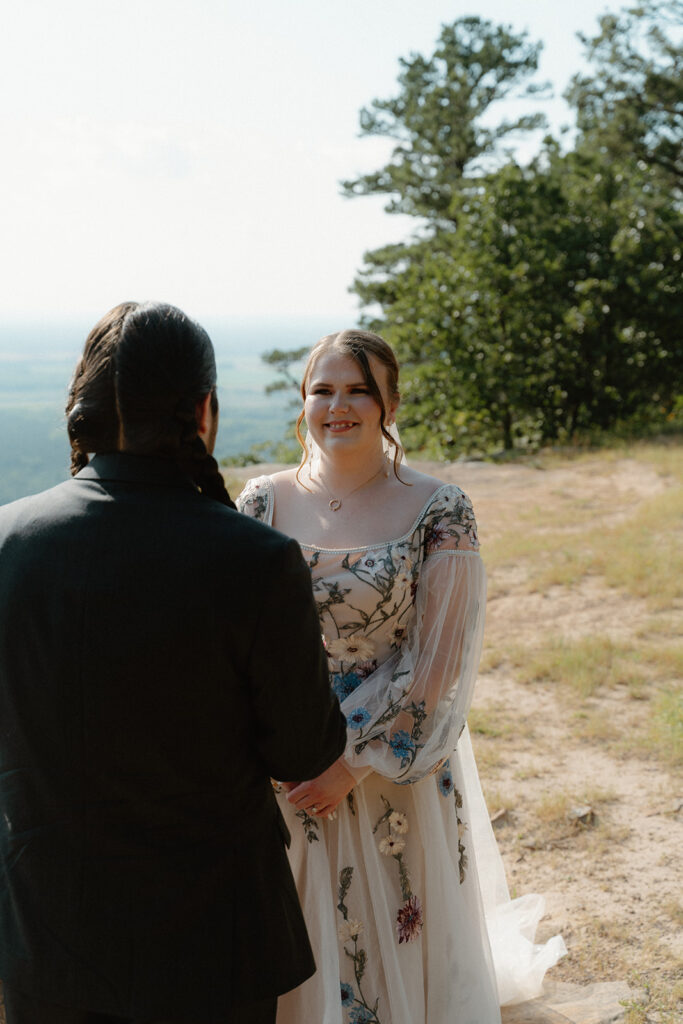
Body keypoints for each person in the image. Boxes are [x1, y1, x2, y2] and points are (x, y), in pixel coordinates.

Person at [0, 302, 347, 1024]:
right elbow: (302, 750)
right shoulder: (255, 558)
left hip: (43, 925)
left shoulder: (8, 540)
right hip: (210, 936)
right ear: (203, 409)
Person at [237, 329, 566, 1024]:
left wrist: (347, 762)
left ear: (390, 402)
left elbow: (439, 658)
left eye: (358, 389)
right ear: (303, 403)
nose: (339, 405)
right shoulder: (259, 504)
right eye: (322, 390)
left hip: (387, 754)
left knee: (389, 917)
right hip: (285, 753)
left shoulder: (437, 507)